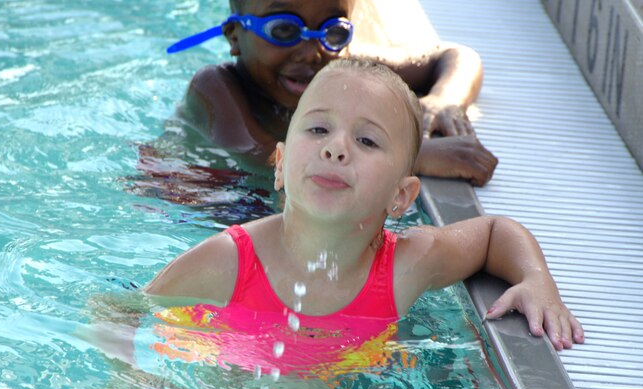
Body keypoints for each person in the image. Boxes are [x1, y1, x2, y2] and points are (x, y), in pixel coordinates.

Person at [145, 58, 584, 354]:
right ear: (279, 164)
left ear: (401, 196)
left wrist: (537, 281)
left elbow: (492, 233)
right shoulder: (231, 261)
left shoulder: (405, 267)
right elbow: (121, 312)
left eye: (367, 140)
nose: (337, 149)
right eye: (318, 129)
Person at [164, 0, 497, 187]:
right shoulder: (215, 87)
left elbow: (456, 56)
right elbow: (267, 162)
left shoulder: (342, 66)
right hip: (211, 193)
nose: (311, 52)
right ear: (235, 37)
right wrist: (415, 157)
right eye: (284, 30)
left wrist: (442, 100)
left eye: (333, 31)